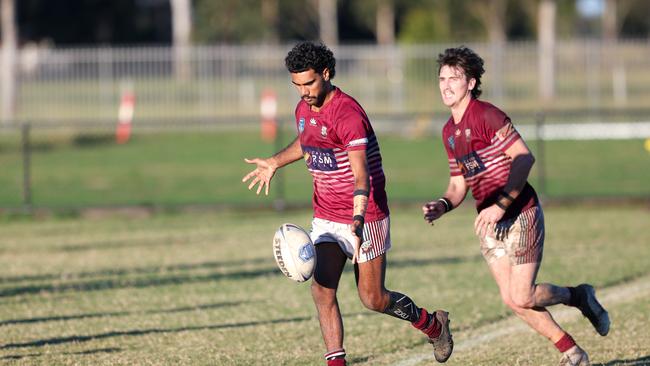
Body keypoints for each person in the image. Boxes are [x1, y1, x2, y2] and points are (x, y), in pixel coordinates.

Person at [242, 41, 453, 365]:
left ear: (326, 73)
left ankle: (432, 324)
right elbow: (308, 140)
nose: (303, 92)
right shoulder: (304, 109)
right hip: (326, 214)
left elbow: (361, 176)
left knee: (373, 298)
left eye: (309, 83)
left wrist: (356, 222)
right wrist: (274, 161)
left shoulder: (348, 113)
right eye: (296, 85)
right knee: (322, 290)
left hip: (365, 215)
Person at [422, 46, 610, 366]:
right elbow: (457, 184)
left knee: (522, 294)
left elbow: (524, 158)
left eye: (454, 78)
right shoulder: (448, 132)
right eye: (442, 78)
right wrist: (442, 204)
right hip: (490, 222)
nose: (446, 85)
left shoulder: (487, 115)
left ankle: (578, 295)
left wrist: (500, 204)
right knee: (512, 299)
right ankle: (573, 352)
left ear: (471, 82)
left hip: (520, 210)